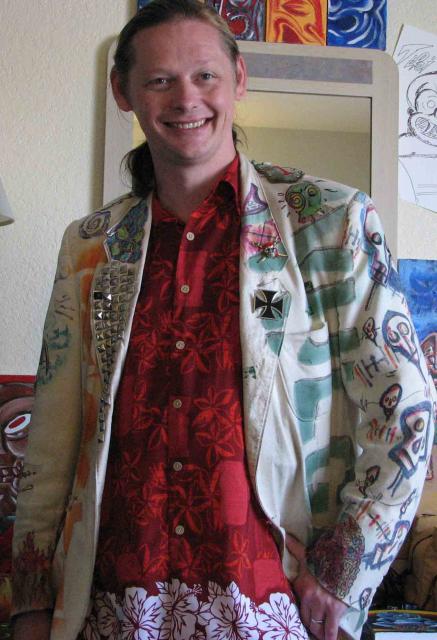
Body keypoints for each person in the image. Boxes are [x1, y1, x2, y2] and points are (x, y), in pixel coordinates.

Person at [11, 1, 436, 639]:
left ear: (238, 79)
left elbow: (403, 407)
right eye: (160, 80)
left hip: (270, 604)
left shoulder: (331, 223)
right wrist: (31, 600)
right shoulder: (90, 246)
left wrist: (343, 571)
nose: (186, 98)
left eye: (205, 75)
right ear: (124, 92)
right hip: (114, 607)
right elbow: (50, 439)